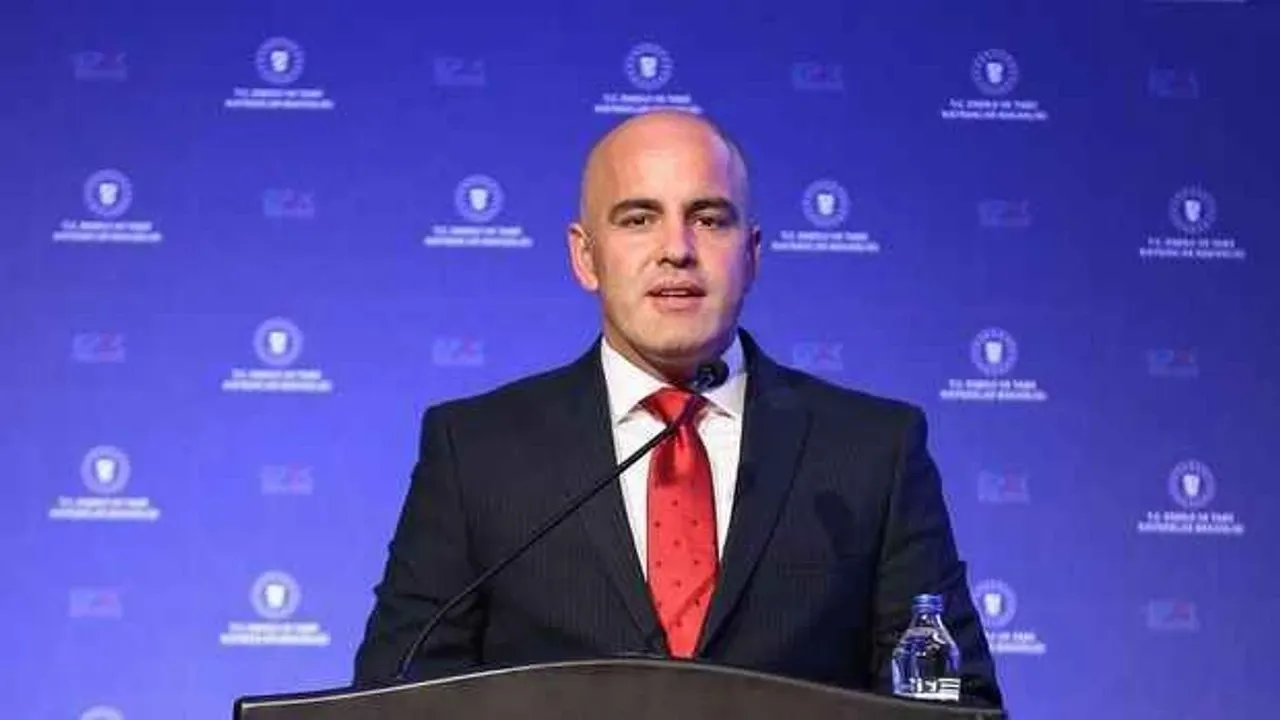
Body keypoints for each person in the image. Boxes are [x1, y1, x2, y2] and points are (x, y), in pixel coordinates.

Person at [352, 110, 1003, 708]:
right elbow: (395, 695)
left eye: (709, 219)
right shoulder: (477, 450)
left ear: (751, 254)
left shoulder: (872, 450)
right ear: (585, 256)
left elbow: (957, 702)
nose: (677, 249)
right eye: (638, 219)